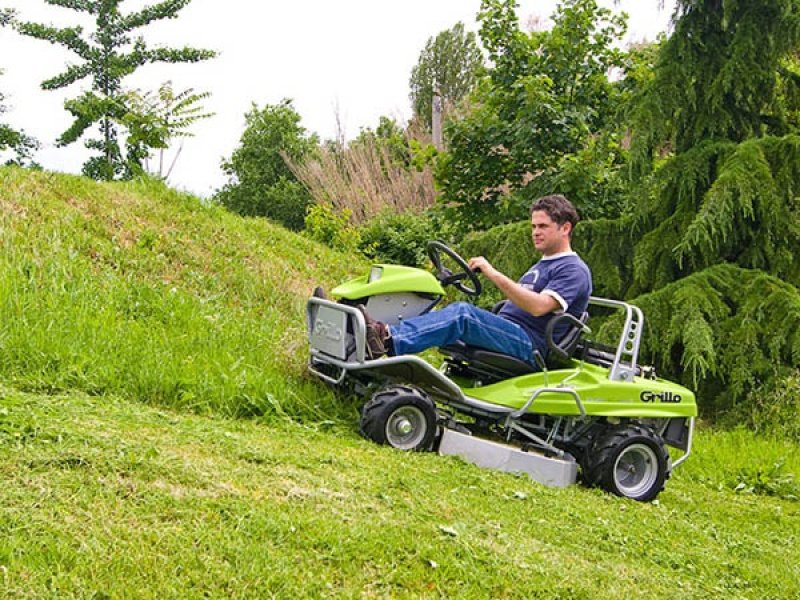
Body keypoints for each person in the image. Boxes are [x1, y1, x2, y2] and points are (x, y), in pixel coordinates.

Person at [361, 194, 592, 366]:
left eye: (543, 226)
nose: (535, 232)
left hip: (531, 344)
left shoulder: (573, 269)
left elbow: (539, 306)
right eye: (533, 226)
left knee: (463, 315)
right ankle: (364, 327)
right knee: (440, 312)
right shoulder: (543, 264)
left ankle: (386, 339)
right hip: (511, 330)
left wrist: (492, 273)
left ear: (565, 228)